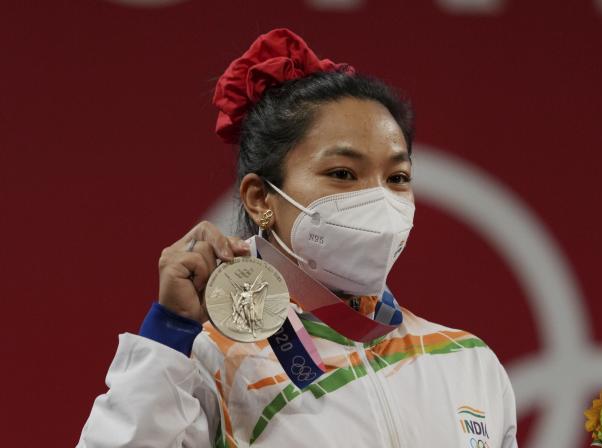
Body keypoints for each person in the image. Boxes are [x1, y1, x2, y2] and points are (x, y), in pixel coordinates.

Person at [78, 28, 517, 448]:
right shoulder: (207, 358)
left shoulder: (468, 363)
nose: (379, 199)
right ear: (259, 198)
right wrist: (170, 335)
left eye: (397, 177)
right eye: (343, 174)